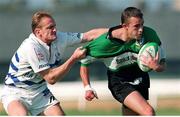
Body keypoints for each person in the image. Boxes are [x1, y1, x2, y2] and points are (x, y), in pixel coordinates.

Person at [0, 11, 107, 116]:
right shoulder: (31, 47)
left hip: (39, 92)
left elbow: (88, 36)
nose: (55, 30)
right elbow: (51, 78)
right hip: (15, 92)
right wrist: (73, 58)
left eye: (54, 26)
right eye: (50, 27)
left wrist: (117, 31)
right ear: (38, 32)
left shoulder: (60, 38)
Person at [80, 7, 166, 116]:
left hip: (140, 77)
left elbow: (163, 64)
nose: (141, 29)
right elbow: (84, 61)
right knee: (148, 112)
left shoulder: (149, 35)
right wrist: (87, 87)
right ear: (124, 26)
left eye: (142, 24)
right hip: (119, 81)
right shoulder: (105, 43)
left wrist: (157, 66)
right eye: (136, 26)